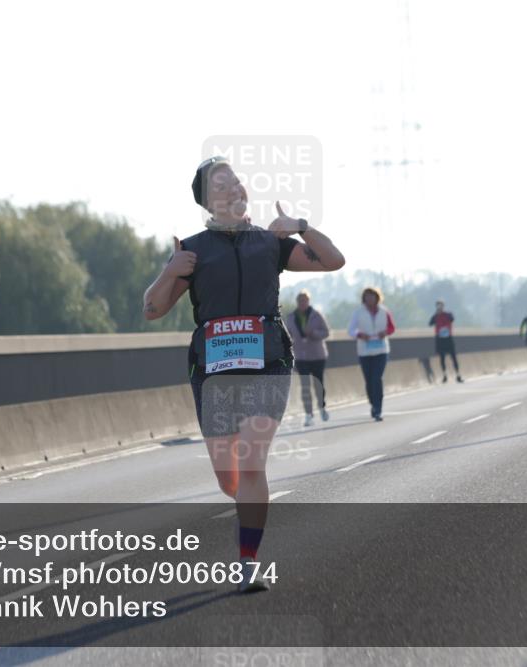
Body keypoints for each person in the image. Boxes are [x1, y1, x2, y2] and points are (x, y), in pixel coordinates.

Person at [142, 156, 344, 592]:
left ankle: (247, 560)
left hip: (268, 362)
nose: (233, 188)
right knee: (228, 476)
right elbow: (152, 309)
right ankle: (249, 507)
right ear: (207, 200)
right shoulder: (193, 250)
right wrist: (169, 271)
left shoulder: (271, 242)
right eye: (221, 185)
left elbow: (333, 260)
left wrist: (300, 225)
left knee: (252, 461)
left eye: (236, 181)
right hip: (213, 372)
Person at [348, 287, 396, 421]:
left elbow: (392, 327)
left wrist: (385, 333)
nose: (370, 299)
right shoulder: (358, 312)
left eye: (372, 296)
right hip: (365, 351)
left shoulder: (384, 311)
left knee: (377, 378)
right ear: (364, 299)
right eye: (367, 297)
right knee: (369, 381)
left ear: (377, 297)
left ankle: (378, 408)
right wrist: (360, 335)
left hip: (381, 350)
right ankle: (373, 403)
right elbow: (351, 330)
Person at [285, 290, 331, 427]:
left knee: (318, 384)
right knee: (305, 386)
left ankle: (322, 407)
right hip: (300, 356)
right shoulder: (291, 317)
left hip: (317, 355)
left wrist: (314, 333)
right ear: (297, 302)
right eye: (300, 301)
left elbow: (326, 332)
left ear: (308, 301)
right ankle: (308, 414)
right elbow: (287, 334)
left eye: (305, 300)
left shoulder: (317, 315)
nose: (302, 303)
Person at [428, 300, 463, 383]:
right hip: (440, 339)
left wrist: (443, 315)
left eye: (440, 306)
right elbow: (430, 323)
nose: (439, 307)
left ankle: (458, 375)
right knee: (442, 358)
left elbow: (452, 319)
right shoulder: (435, 316)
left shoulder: (448, 314)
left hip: (448, 338)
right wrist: (436, 314)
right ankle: (444, 375)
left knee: (453, 357)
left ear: (443, 306)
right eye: (438, 306)